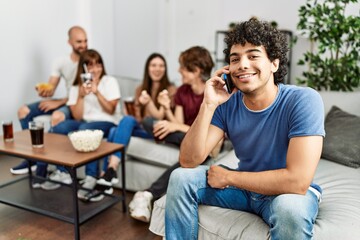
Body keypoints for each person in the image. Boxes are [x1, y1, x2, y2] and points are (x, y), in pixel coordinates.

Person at [164, 19, 325, 240]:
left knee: (291, 209)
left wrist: (230, 177)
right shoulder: (227, 102)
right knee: (180, 177)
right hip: (244, 192)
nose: (243, 64)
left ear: (274, 64)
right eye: (235, 59)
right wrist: (208, 104)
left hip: (284, 194)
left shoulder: (303, 100)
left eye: (253, 55)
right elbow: (189, 160)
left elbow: (297, 181)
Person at [128, 46, 215, 223]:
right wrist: (167, 109)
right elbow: (178, 123)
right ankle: (146, 195)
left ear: (196, 70)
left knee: (201, 151)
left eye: (182, 66)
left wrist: (174, 126)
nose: (178, 70)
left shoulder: (213, 92)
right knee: (148, 122)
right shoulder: (183, 90)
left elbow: (206, 134)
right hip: (185, 136)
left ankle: (147, 194)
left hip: (204, 141)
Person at [35, 49, 121, 202]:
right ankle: (63, 173)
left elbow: (111, 109)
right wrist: (81, 95)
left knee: (85, 130)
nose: (95, 70)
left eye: (98, 65)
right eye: (90, 66)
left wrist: (97, 92)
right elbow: (77, 116)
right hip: (85, 121)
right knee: (58, 128)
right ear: (84, 68)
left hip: (108, 121)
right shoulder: (76, 87)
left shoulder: (110, 81)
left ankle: (91, 176)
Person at [11, 26, 88, 175]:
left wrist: (59, 102)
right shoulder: (61, 62)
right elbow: (51, 87)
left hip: (75, 103)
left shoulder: (90, 62)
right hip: (65, 100)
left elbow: (83, 93)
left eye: (85, 41)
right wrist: (45, 91)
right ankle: (31, 157)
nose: (83, 45)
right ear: (69, 42)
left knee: (57, 116)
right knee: (23, 111)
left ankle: (49, 165)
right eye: (79, 41)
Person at [96, 53, 177, 187]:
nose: (157, 69)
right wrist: (134, 111)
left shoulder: (170, 89)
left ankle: (108, 171)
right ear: (148, 68)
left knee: (118, 127)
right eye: (153, 65)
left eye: (161, 66)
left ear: (165, 69)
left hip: (157, 131)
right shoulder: (140, 89)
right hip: (142, 128)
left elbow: (158, 118)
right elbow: (139, 120)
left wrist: (149, 102)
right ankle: (109, 173)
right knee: (114, 129)